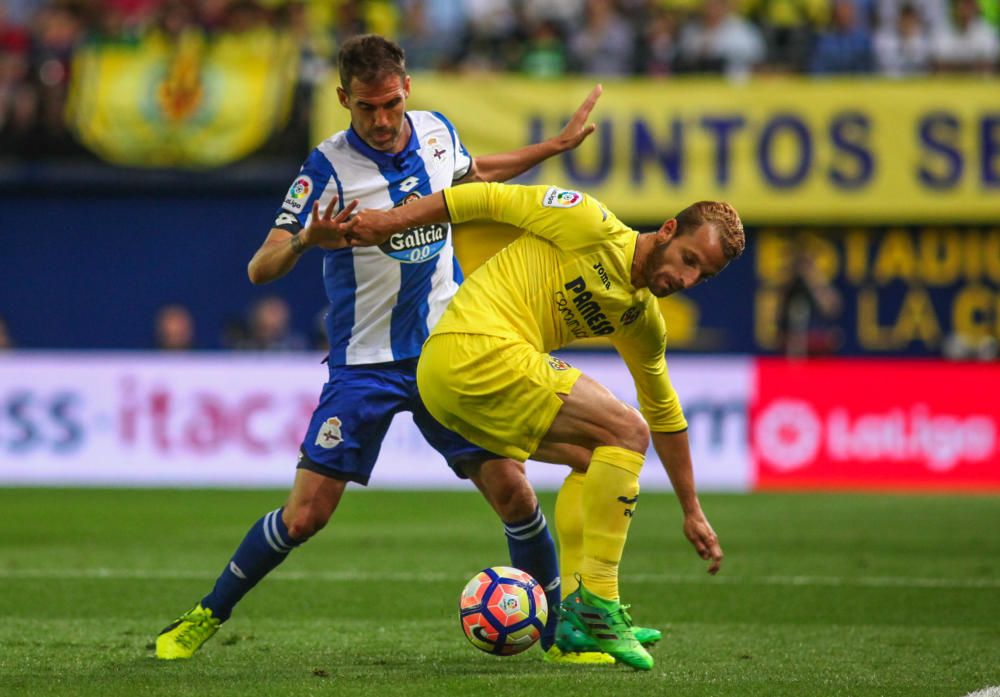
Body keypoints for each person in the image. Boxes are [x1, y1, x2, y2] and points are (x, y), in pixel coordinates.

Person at [155, 34, 624, 665]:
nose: (381, 120)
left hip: (447, 355)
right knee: (305, 517)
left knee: (514, 493)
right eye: (366, 108)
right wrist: (305, 241)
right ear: (344, 98)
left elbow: (476, 178)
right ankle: (205, 614)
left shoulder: (435, 132)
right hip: (364, 366)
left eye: (391, 105)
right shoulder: (324, 168)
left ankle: (555, 638)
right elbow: (259, 268)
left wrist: (553, 148)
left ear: (406, 91)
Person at [340, 182, 742, 670]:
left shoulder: (641, 319)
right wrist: (388, 221)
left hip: (454, 388)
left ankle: (574, 620)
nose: (687, 277)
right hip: (470, 348)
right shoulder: (587, 223)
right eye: (689, 259)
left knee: (597, 458)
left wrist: (692, 510)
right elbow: (482, 198)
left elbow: (666, 412)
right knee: (626, 432)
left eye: (704, 274)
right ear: (669, 229)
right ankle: (599, 604)